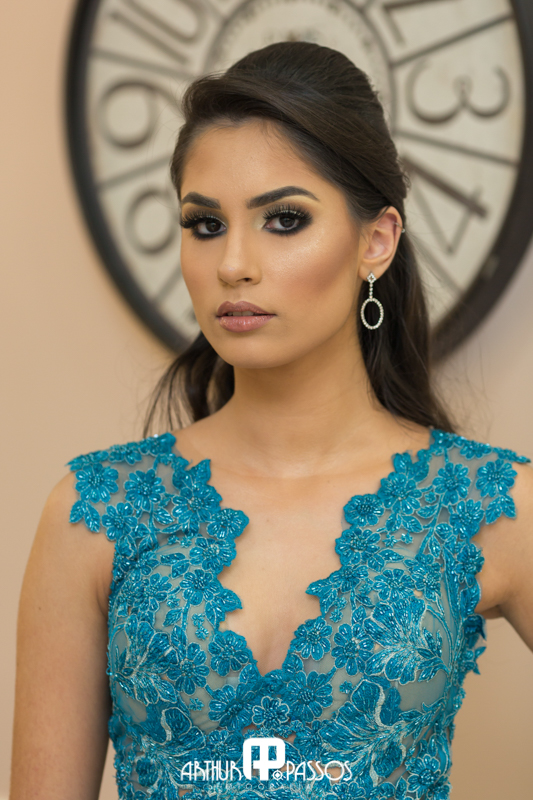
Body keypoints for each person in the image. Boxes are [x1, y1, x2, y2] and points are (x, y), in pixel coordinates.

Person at [9, 41, 533, 800]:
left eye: (284, 219)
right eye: (205, 224)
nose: (232, 265)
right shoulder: (94, 514)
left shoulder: (488, 505)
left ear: (376, 241)